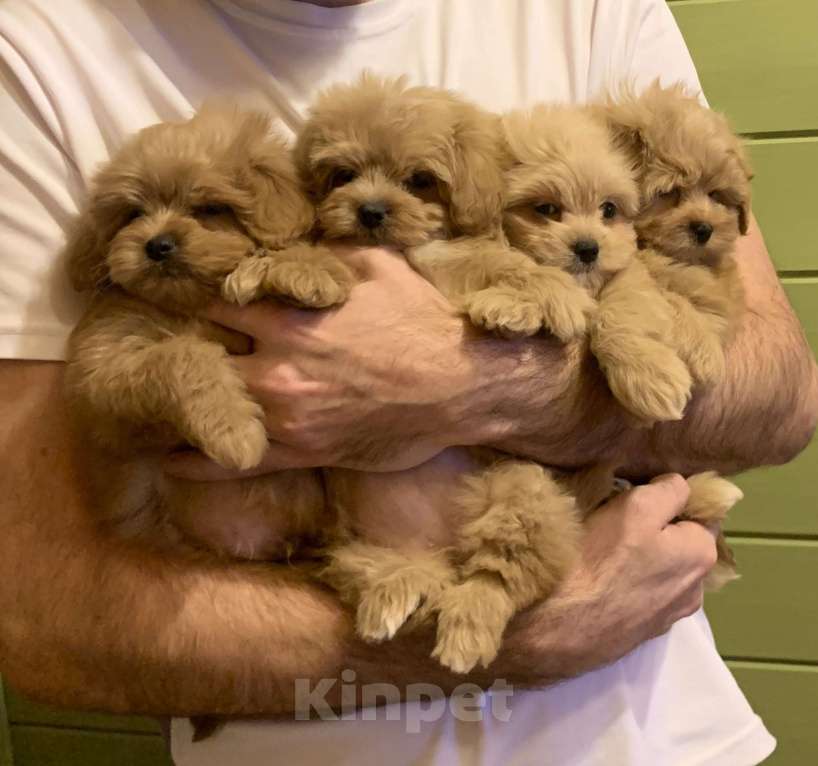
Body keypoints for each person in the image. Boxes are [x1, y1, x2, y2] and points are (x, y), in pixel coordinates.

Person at [0, 0, 815, 764]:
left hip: (664, 739)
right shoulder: (37, 47)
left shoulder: (595, 13)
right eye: (338, 180)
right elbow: (41, 621)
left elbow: (778, 399)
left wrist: (467, 385)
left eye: (422, 182)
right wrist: (528, 633)